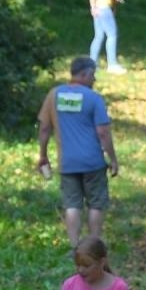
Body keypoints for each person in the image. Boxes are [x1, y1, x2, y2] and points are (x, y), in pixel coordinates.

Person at [37, 56, 120, 247]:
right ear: (85, 74)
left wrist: (43, 155)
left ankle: (75, 247)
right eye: (93, 75)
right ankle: (93, 244)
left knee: (72, 205)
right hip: (93, 162)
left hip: (68, 162)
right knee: (96, 203)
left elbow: (44, 128)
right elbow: (103, 132)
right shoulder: (93, 98)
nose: (94, 80)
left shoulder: (54, 95)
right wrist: (113, 159)